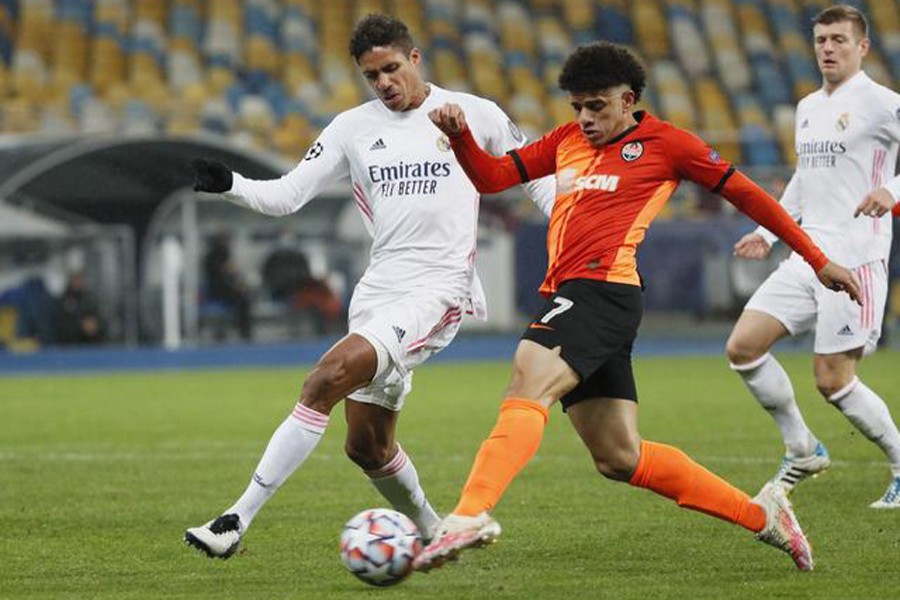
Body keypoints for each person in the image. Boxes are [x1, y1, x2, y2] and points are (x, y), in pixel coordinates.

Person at [414, 40, 862, 573]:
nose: (584, 118)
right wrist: (461, 137)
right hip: (575, 292)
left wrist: (815, 257)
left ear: (628, 100)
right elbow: (491, 178)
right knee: (618, 457)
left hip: (602, 290)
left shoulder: (667, 143)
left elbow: (748, 195)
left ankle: (467, 516)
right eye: (577, 106)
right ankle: (762, 514)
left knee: (526, 378)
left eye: (596, 106)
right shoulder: (563, 141)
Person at [184, 14, 555, 559]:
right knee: (366, 445)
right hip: (379, 290)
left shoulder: (475, 113)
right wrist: (230, 184)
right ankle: (434, 532)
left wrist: (576, 243)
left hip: (439, 288)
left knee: (325, 378)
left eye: (391, 68)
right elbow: (288, 196)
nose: (383, 82)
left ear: (415, 58)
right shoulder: (351, 129)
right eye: (371, 75)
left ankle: (235, 521)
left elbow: (540, 183)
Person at [726, 5, 900, 509]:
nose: (828, 48)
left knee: (832, 381)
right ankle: (803, 448)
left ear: (863, 47)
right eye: (822, 39)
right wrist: (768, 230)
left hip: (856, 260)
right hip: (808, 255)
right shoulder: (806, 107)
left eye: (839, 40)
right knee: (743, 347)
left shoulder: (882, 103)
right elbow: (805, 180)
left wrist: (892, 189)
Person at [203, 231, 253, 341]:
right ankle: (244, 332)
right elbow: (229, 272)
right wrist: (240, 286)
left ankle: (236, 329)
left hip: (217, 290)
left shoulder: (210, 255)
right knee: (243, 300)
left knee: (242, 297)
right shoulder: (221, 253)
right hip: (219, 291)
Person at [54, 272, 106, 345]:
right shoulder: (62, 301)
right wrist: (80, 326)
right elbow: (59, 326)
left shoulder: (91, 299)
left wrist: (95, 326)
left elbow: (101, 321)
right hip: (70, 346)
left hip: (93, 345)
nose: (78, 282)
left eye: (80, 279)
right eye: (75, 279)